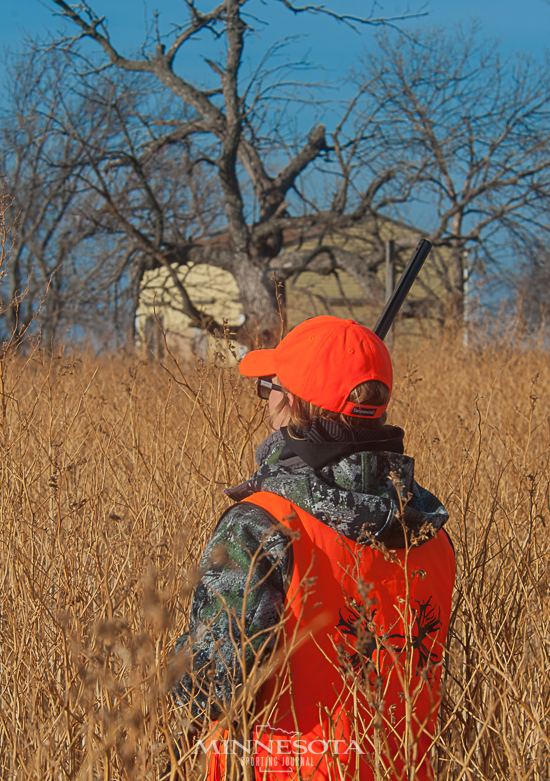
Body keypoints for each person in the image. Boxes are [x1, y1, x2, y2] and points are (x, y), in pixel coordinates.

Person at [174, 315, 456, 781]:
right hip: (400, 768)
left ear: (292, 403)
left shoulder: (261, 525)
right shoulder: (430, 530)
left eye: (270, 387)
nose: (267, 399)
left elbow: (210, 688)